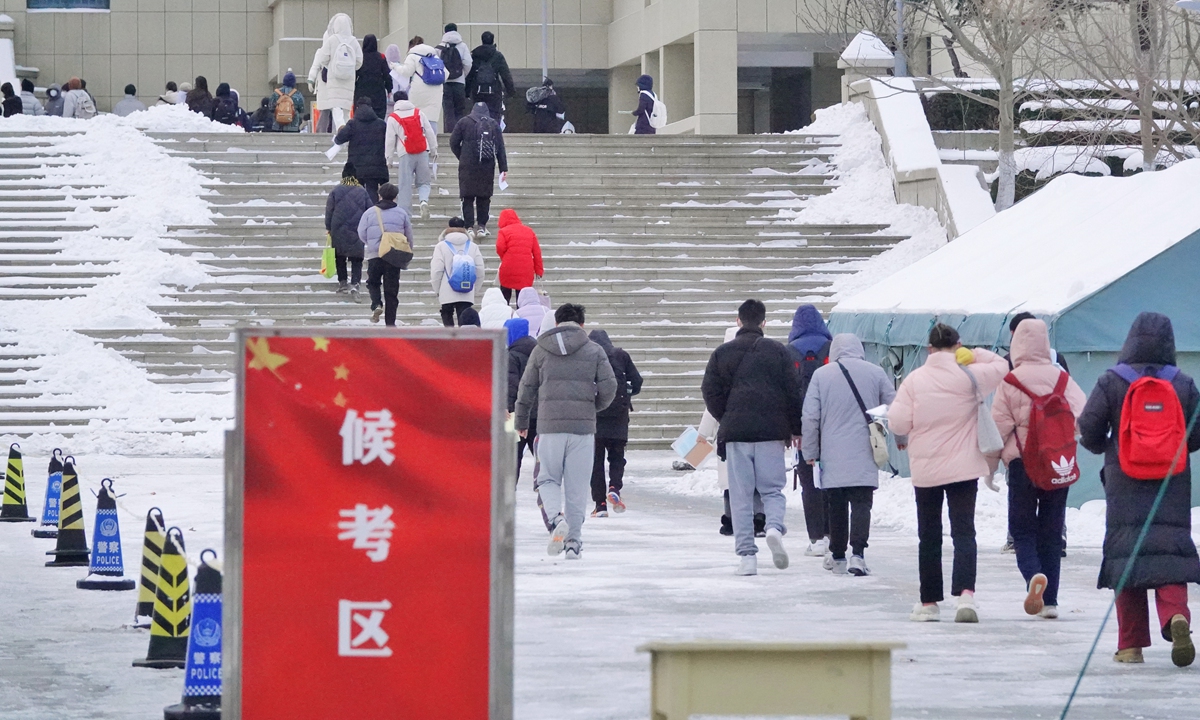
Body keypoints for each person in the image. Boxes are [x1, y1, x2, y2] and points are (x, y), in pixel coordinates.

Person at [1078, 312, 1200, 666]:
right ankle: (1176, 617)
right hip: (1171, 483)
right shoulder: (1183, 383)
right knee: (1170, 556)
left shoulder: (1111, 381)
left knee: (1126, 558)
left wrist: (1109, 448)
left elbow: (1088, 427)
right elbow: (1197, 431)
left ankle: (1130, 646)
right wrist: (1173, 449)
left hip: (1124, 481)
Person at [889, 323, 1009, 623]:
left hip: (926, 470)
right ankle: (965, 596)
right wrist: (973, 354)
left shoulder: (914, 381)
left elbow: (898, 424)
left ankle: (929, 602)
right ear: (958, 346)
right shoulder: (971, 377)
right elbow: (1002, 366)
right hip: (964, 468)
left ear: (929, 349)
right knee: (964, 532)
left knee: (929, 536)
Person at [990, 319, 1086, 620]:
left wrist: (991, 465)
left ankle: (1033, 576)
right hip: (1058, 462)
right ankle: (1051, 602)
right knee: (1052, 531)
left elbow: (997, 429)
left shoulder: (1011, 381)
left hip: (1022, 464)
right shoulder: (1062, 379)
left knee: (1022, 530)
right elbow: (1083, 416)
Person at [701, 299, 804, 576]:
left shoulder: (722, 353)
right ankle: (773, 527)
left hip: (736, 434)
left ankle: (747, 556)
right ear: (763, 323)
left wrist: (728, 415)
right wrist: (796, 428)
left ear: (738, 321)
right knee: (772, 490)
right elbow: (793, 392)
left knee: (741, 495)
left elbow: (709, 391)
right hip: (771, 433)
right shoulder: (778, 352)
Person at [515, 303, 617, 561]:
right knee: (577, 487)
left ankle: (555, 518)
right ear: (582, 324)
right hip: (583, 429)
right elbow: (610, 386)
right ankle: (573, 543)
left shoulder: (540, 351)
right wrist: (593, 407)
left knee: (547, 479)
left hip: (549, 427)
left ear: (556, 323)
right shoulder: (594, 350)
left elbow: (526, 389)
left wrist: (522, 421)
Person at [801, 333, 895, 576]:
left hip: (832, 452)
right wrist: (901, 438)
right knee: (862, 503)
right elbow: (894, 408)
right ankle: (858, 555)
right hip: (865, 449)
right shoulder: (875, 373)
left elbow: (810, 417)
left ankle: (839, 555)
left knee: (836, 504)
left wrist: (810, 451)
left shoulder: (821, 375)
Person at [1001, 311, 1071, 555]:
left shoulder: (1009, 362)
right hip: (1055, 445)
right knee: (1054, 495)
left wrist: (995, 453)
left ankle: (1020, 543)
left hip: (1021, 448)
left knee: (1020, 502)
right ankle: (1056, 539)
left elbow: (1002, 413)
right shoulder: (1057, 360)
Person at [787, 303, 833, 557]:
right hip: (832, 427)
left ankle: (815, 538)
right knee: (832, 480)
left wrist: (792, 429)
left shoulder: (790, 351)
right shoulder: (831, 347)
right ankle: (832, 533)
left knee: (808, 482)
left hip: (803, 429)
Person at [589, 329, 643, 517]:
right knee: (617, 456)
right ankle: (614, 487)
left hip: (594, 417)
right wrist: (628, 393)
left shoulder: (589, 356)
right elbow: (637, 382)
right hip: (619, 416)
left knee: (595, 463)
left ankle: (600, 505)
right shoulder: (621, 355)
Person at [356, 183, 413, 326]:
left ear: (379, 195)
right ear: (395, 197)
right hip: (394, 256)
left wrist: (372, 244)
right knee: (391, 291)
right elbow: (409, 235)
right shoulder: (402, 213)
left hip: (375, 255)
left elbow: (361, 233)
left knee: (373, 282)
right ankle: (390, 324)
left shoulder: (369, 213)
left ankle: (376, 304)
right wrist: (407, 250)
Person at [449, 102, 507, 237]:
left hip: (467, 165)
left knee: (467, 196)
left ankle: (469, 226)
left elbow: (453, 142)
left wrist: (462, 156)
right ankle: (482, 226)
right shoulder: (493, 124)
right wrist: (503, 168)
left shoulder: (463, 122)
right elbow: (500, 147)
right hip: (487, 165)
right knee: (484, 196)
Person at [384, 90, 437, 218]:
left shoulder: (393, 118)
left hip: (405, 153)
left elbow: (390, 140)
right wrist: (434, 149)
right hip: (422, 150)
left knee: (405, 185)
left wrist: (389, 159)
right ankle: (423, 201)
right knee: (424, 182)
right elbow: (429, 131)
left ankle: (405, 214)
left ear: (396, 102)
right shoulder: (418, 113)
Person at [308, 13, 362, 133]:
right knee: (346, 107)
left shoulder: (332, 40)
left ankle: (340, 127)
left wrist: (330, 65)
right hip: (349, 79)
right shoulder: (354, 41)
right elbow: (359, 62)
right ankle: (348, 129)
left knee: (335, 105)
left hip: (334, 78)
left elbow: (322, 59)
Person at [325, 162, 371, 298]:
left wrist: (328, 227)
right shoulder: (362, 191)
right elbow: (370, 210)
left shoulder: (335, 191)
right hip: (357, 229)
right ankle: (355, 283)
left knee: (340, 257)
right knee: (356, 258)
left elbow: (329, 211)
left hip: (338, 229)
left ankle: (343, 283)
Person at [430, 217, 485, 327]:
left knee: (446, 313)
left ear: (448, 228)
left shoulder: (441, 246)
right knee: (465, 319)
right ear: (463, 228)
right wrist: (474, 289)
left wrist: (437, 289)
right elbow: (480, 270)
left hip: (446, 289)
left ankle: (450, 341)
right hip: (467, 288)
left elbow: (437, 270)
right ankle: (464, 341)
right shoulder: (473, 246)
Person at [334, 98, 388, 203]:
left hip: (356, 166)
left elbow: (339, 139)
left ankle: (360, 216)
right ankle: (373, 214)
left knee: (357, 192)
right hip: (376, 165)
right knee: (372, 190)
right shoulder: (381, 124)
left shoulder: (352, 124)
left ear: (356, 108)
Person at [506, 317, 538, 481]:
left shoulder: (511, 355)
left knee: (511, 459)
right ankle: (546, 496)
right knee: (541, 459)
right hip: (538, 414)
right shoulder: (539, 352)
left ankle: (509, 495)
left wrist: (506, 408)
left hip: (516, 415)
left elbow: (511, 387)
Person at [397, 36, 446, 134]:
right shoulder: (434, 56)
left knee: (416, 117)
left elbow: (407, 72)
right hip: (436, 91)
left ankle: (418, 143)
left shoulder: (412, 56)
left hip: (419, 91)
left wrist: (395, 67)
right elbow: (446, 74)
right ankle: (432, 145)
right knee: (432, 119)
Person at [495, 209, 543, 304]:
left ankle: (505, 314)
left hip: (508, 268)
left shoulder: (503, 232)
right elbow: (537, 253)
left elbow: (499, 247)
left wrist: (505, 257)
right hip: (526, 269)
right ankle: (522, 315)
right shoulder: (529, 231)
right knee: (523, 299)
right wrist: (539, 270)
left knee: (505, 297)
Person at [467, 31, 515, 124]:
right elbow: (505, 74)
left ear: (482, 40)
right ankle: (493, 135)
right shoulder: (498, 56)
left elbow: (470, 74)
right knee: (494, 115)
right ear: (493, 41)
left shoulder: (475, 55)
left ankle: (479, 134)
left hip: (477, 90)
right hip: (494, 90)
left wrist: (467, 92)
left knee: (477, 114)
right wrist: (511, 91)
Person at [436, 23, 472, 131]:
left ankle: (449, 134)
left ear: (445, 32)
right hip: (459, 83)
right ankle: (460, 133)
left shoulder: (439, 47)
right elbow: (468, 63)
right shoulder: (463, 46)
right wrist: (462, 75)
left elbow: (436, 65)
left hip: (445, 83)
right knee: (459, 110)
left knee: (448, 111)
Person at [354, 34, 392, 117]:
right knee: (378, 115)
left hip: (361, 90)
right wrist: (389, 89)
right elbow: (387, 75)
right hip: (378, 92)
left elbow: (354, 74)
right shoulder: (381, 57)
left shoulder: (360, 57)